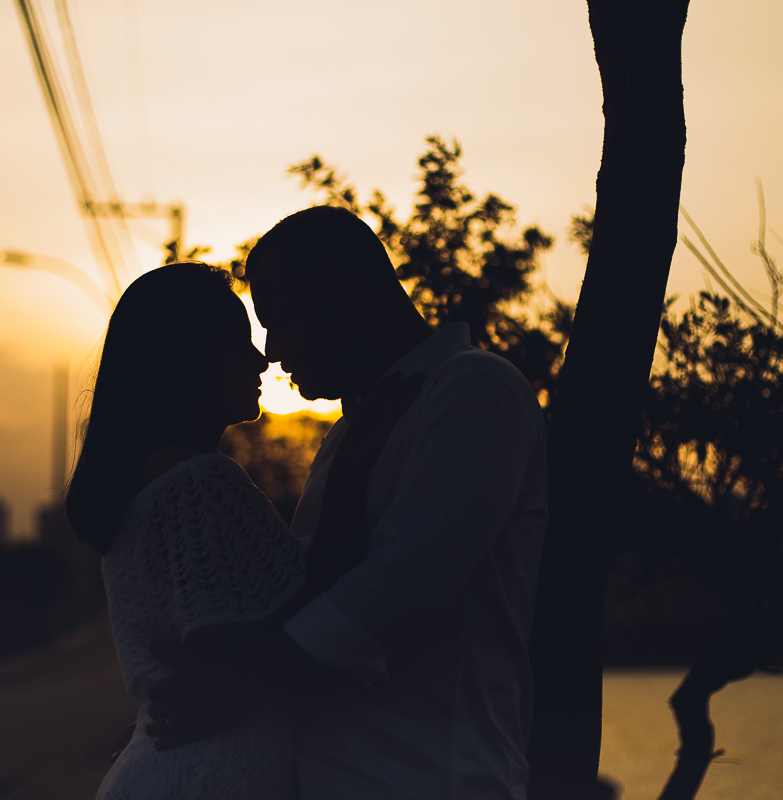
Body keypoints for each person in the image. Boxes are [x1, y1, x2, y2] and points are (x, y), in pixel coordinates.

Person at [146, 206, 549, 799]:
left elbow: (404, 586)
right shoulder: (353, 428)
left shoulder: (475, 390)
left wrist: (239, 676)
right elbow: (317, 581)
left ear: (347, 293)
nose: (272, 353)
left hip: (433, 777)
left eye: (281, 320)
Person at [65, 263, 422, 800]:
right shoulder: (199, 483)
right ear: (185, 361)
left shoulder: (152, 485)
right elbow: (310, 617)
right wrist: (360, 452)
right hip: (205, 777)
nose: (260, 359)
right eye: (237, 343)